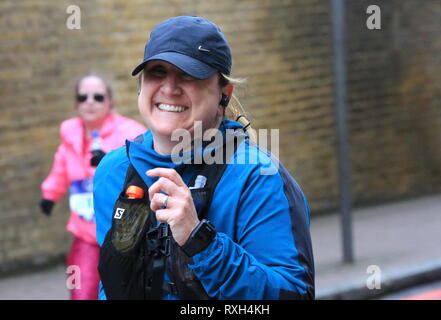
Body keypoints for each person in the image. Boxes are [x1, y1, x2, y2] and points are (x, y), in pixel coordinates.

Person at [94, 16, 314, 300]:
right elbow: (110, 287)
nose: (169, 87)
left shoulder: (258, 177)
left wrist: (199, 240)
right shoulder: (113, 171)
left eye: (189, 74)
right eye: (157, 72)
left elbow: (293, 295)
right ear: (141, 85)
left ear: (224, 94)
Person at [40, 73, 147, 300]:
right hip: (85, 230)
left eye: (98, 97)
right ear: (76, 103)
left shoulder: (130, 132)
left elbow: (143, 168)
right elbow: (61, 167)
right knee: (79, 284)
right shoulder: (69, 136)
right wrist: (50, 194)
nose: (90, 102)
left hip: (123, 229)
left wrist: (109, 162)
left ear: (110, 102)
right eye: (83, 97)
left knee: (124, 287)